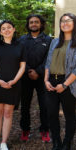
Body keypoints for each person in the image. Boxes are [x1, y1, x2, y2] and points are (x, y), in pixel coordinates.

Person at [44, 13, 76, 150]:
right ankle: (56, 142)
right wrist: (45, 79)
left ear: (75, 23)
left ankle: (67, 143)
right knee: (51, 113)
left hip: (68, 83)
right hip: (51, 81)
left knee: (69, 115)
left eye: (68, 20)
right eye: (62, 21)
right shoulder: (55, 41)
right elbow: (48, 62)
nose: (65, 23)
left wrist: (65, 84)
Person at [0, 20, 26, 150]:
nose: (6, 30)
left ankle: (4, 142)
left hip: (13, 84)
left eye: (9, 27)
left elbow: (23, 66)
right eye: (3, 28)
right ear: (0, 32)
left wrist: (14, 80)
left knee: (8, 113)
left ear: (14, 29)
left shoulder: (20, 45)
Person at [18, 14, 52, 143]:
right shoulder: (21, 40)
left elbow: (49, 59)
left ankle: (45, 130)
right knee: (25, 106)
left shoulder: (48, 40)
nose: (33, 24)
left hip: (43, 77)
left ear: (41, 24)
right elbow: (19, 57)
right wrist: (28, 70)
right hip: (25, 77)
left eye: (36, 22)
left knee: (44, 105)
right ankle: (25, 130)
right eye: (31, 22)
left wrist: (38, 71)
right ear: (28, 24)